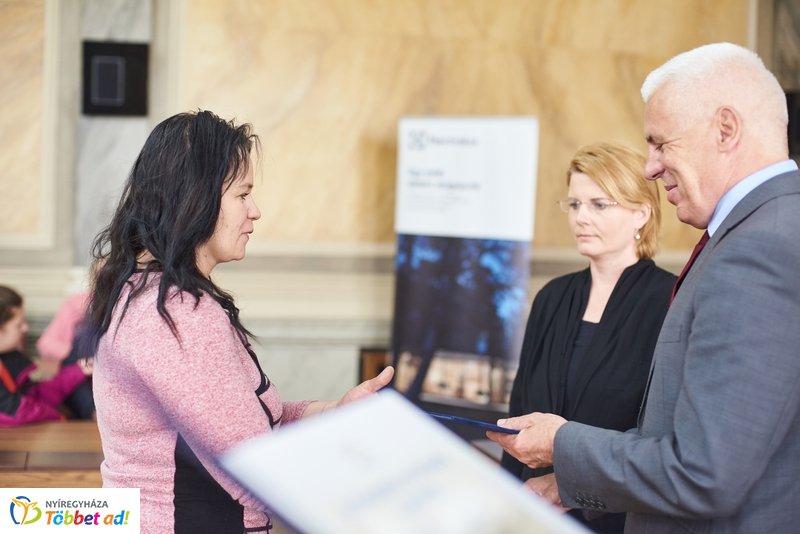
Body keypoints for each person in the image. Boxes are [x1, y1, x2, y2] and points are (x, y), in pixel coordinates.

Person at [488, 42, 800, 532]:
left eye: (661, 142)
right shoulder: (761, 231)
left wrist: (561, 445)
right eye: (573, 204)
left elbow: (704, 473)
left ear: (725, 128)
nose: (651, 166)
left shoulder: (759, 248)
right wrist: (561, 484)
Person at [82, 110, 394, 534]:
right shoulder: (178, 314)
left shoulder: (140, 291)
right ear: (196, 198)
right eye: (242, 194)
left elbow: (245, 423)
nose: (255, 211)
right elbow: (255, 468)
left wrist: (334, 412)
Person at [501, 142, 675, 532]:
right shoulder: (552, 297)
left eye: (599, 204)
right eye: (575, 204)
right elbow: (520, 412)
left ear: (641, 214)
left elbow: (657, 438)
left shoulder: (670, 301)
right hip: (534, 513)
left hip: (618, 517)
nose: (581, 218)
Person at [0, 285, 91, 426]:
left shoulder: (9, 358)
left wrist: (79, 370)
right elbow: (15, 412)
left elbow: (37, 395)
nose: (25, 328)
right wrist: (58, 417)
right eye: (18, 325)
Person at [36, 291, 96, 419]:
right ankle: (93, 414)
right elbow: (44, 343)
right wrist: (78, 356)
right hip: (79, 368)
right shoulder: (76, 304)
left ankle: (93, 414)